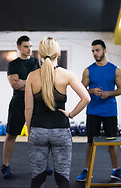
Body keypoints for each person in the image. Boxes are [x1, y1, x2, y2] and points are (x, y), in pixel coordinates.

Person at [25, 36, 91, 188]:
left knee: (37, 179)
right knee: (62, 179)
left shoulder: (32, 76)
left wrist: (30, 131)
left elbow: (28, 108)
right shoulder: (67, 75)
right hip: (61, 131)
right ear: (58, 54)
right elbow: (86, 98)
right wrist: (71, 114)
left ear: (40, 55)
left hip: (38, 130)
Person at [76, 39, 121, 182]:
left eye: (97, 50)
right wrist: (91, 91)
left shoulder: (115, 69)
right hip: (93, 111)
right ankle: (87, 171)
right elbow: (81, 90)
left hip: (110, 111)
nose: (94, 53)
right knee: (91, 142)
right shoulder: (88, 70)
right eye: (92, 51)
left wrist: (109, 93)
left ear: (104, 51)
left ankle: (115, 170)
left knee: (112, 141)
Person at [2, 35, 48, 178]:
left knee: (39, 135)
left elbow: (41, 84)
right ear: (19, 47)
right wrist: (30, 82)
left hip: (36, 103)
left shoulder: (37, 62)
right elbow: (15, 84)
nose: (29, 49)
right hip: (18, 103)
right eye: (26, 46)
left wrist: (24, 82)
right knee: (11, 134)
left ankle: (43, 164)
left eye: (30, 46)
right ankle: (6, 165)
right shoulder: (13, 64)